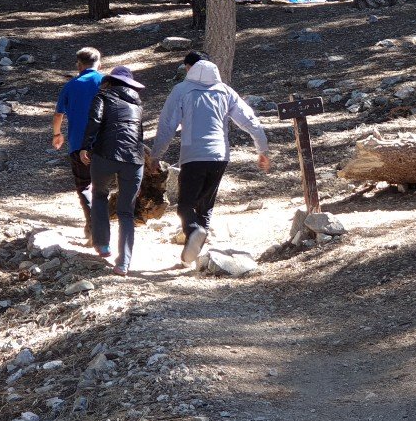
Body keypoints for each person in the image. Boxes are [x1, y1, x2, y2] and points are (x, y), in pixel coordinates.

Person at [152, 51, 270, 266]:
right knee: (205, 206)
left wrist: (155, 155)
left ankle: (193, 232)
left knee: (185, 206)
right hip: (220, 156)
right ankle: (191, 256)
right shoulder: (225, 91)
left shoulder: (181, 90)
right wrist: (262, 149)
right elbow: (249, 120)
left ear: (188, 68)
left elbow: (167, 125)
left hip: (194, 155)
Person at [79, 66, 147, 276]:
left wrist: (85, 146)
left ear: (110, 81)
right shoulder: (138, 105)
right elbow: (139, 135)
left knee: (100, 196)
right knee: (126, 211)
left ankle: (102, 244)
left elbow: (94, 121)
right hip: (134, 159)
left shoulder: (103, 97)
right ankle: (124, 263)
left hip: (105, 155)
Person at [52, 47, 104, 244]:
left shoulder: (71, 85)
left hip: (78, 142)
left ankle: (93, 227)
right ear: (99, 64)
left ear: (79, 65)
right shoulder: (106, 82)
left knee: (84, 185)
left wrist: (57, 134)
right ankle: (100, 227)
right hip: (106, 143)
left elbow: (59, 114)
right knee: (102, 186)